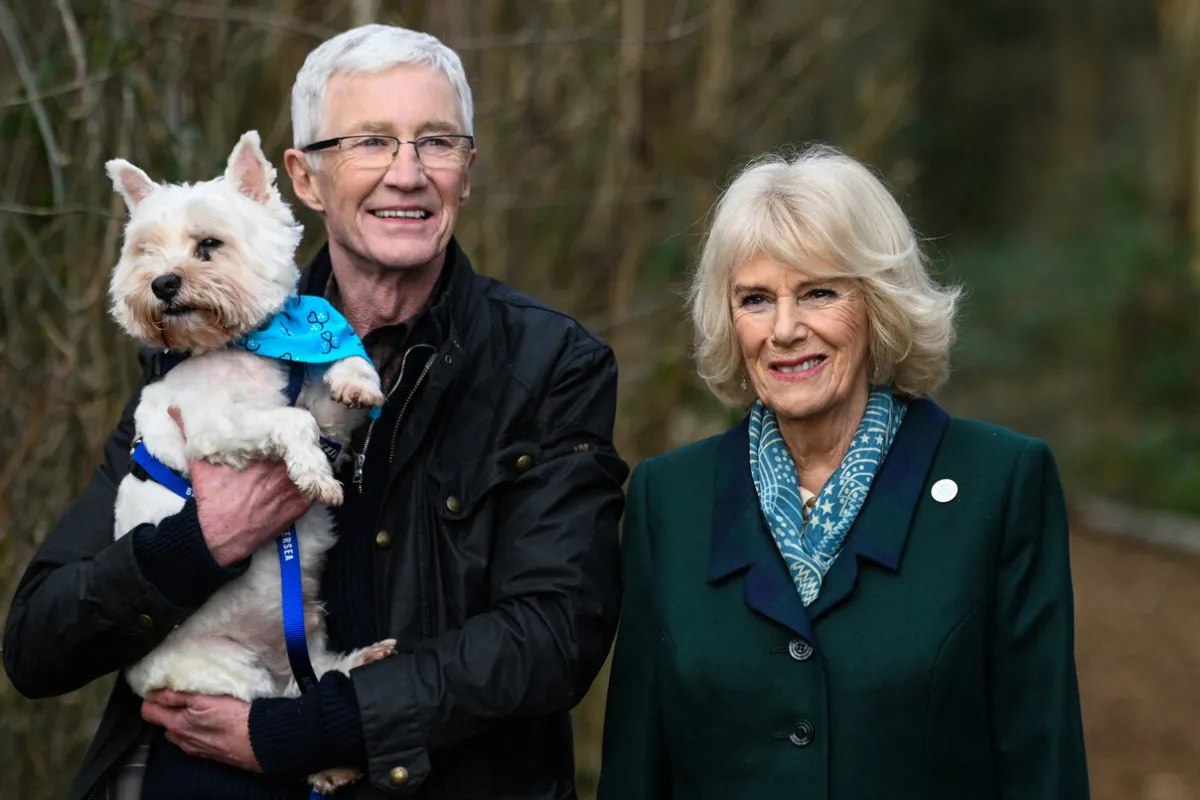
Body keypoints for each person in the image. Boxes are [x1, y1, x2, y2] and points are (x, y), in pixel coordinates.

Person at [3, 24, 628, 800]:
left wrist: (303, 731)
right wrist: (201, 543)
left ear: (467, 171)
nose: (407, 173)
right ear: (303, 178)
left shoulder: (548, 365)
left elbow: (554, 636)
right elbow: (38, 644)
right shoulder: (199, 351)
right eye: (370, 142)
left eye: (436, 142)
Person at [597, 145, 1089, 799]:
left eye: (818, 292)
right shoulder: (670, 501)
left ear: (878, 305)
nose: (785, 329)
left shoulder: (1001, 485)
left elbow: (1043, 765)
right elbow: (636, 770)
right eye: (755, 299)